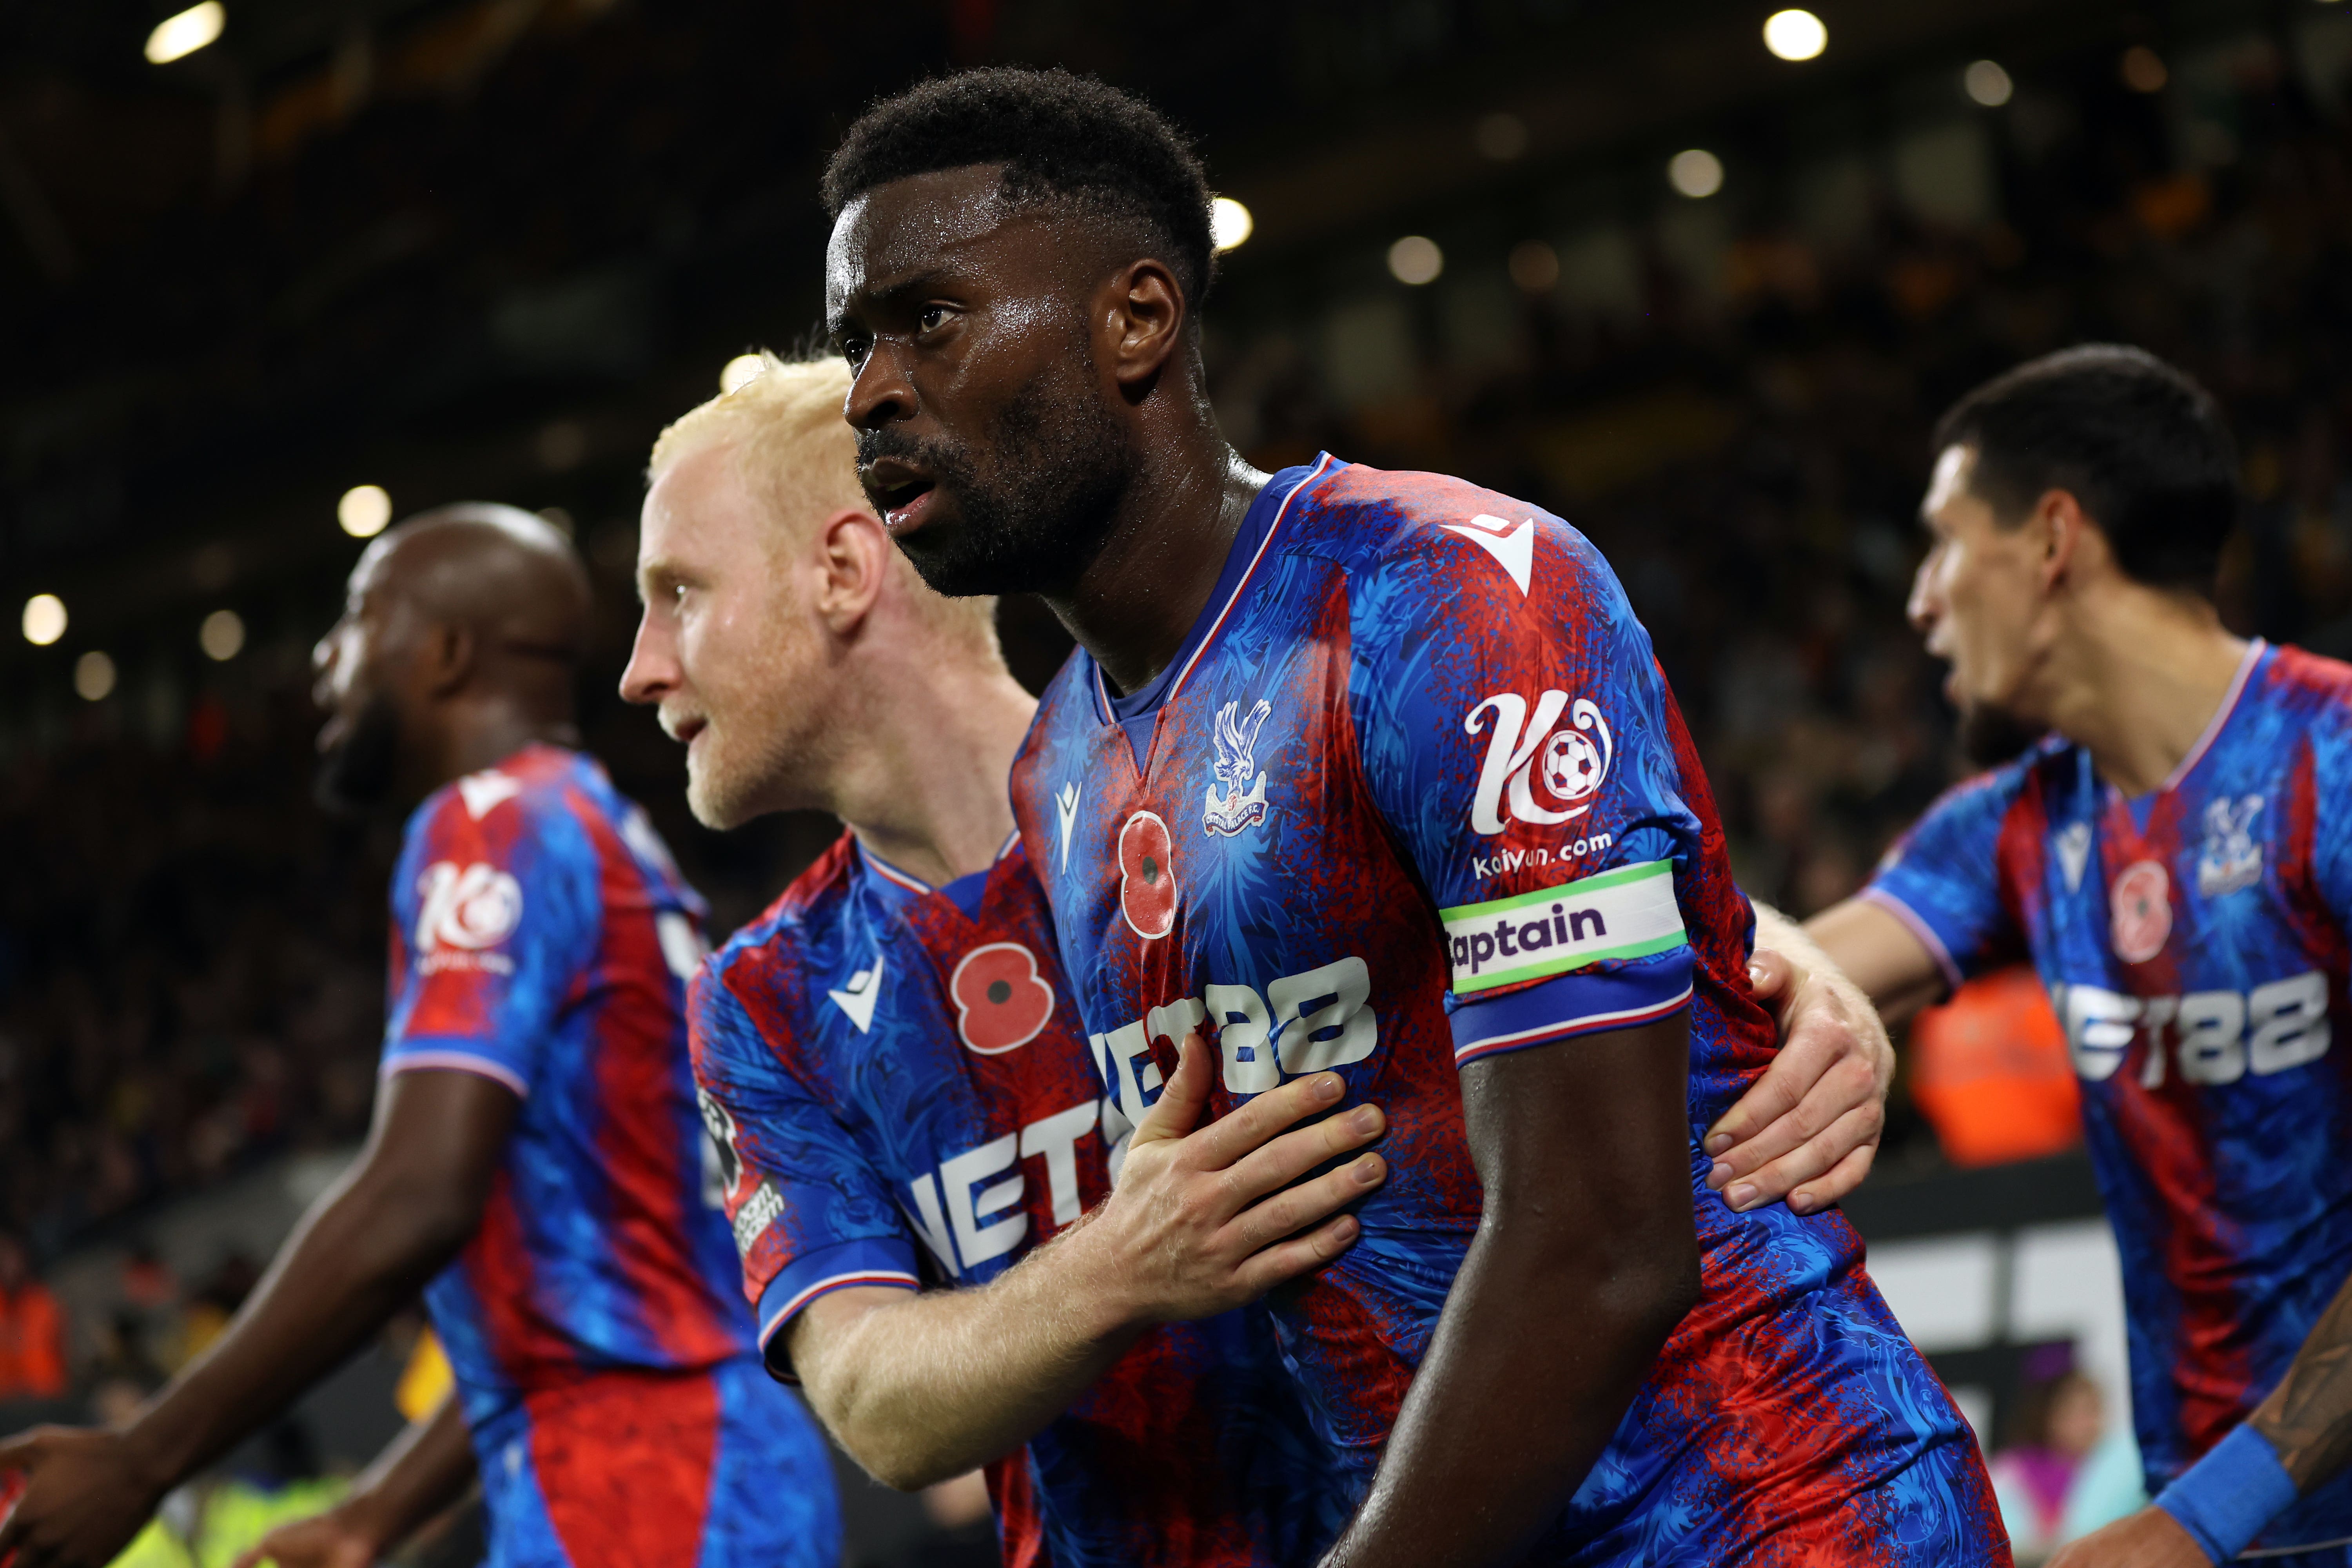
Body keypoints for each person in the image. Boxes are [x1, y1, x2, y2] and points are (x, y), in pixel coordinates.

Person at [820, 66, 2005, 1565]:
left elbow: (1598, 1240)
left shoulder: (1446, 590)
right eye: (858, 339)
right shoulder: (1058, 765)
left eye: (927, 317)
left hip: (1774, 1517)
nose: (870, 389)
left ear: (1136, 320)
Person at [623, 351, 1374, 1565]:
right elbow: (869, 1398)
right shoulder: (764, 998)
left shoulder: (1219, 770)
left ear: (841, 570)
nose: (640, 666)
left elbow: (1562, 888)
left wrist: (1789, 961)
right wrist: (1120, 1267)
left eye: (679, 593)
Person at [0, 506, 838, 1568]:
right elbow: (588, 1299)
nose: (323, 656)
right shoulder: (606, 837)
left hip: (644, 1484)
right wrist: (376, 1512)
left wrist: (144, 1456)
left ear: (444, 654)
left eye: (355, 620)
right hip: (686, 1460)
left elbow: (416, 1192)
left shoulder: (488, 827)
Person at [1731, 344, 2352, 1567]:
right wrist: (1805, 971)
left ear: (2051, 539)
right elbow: (1774, 958)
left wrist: (2200, 1518)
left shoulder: (2328, 766)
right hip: (2216, 1533)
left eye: (1944, 541)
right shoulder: (2016, 827)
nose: (1918, 601)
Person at [0, 1234, 66, 1401]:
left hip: (46, 1395)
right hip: (9, 1402)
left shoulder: (42, 1300)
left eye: (9, 1257)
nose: (5, 1265)